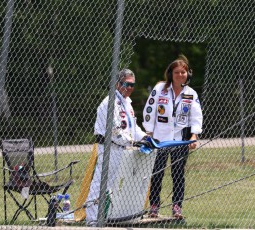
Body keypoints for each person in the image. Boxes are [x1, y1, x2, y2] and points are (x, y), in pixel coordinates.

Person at [85, 69, 149, 226]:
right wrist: (133, 143)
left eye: (132, 85)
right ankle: (93, 221)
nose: (129, 87)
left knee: (112, 186)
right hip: (109, 148)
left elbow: (132, 128)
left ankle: (107, 217)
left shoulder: (127, 102)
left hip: (121, 149)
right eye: (126, 84)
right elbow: (115, 131)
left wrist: (145, 138)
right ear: (117, 84)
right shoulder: (110, 103)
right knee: (101, 183)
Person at [142, 55, 203, 219]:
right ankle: (154, 206)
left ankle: (177, 207)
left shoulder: (191, 94)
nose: (180, 75)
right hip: (160, 140)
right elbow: (149, 110)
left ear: (187, 74)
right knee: (157, 173)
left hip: (180, 139)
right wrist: (149, 132)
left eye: (183, 72)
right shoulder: (160, 89)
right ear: (170, 74)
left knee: (178, 174)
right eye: (177, 72)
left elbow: (196, 116)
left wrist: (194, 134)